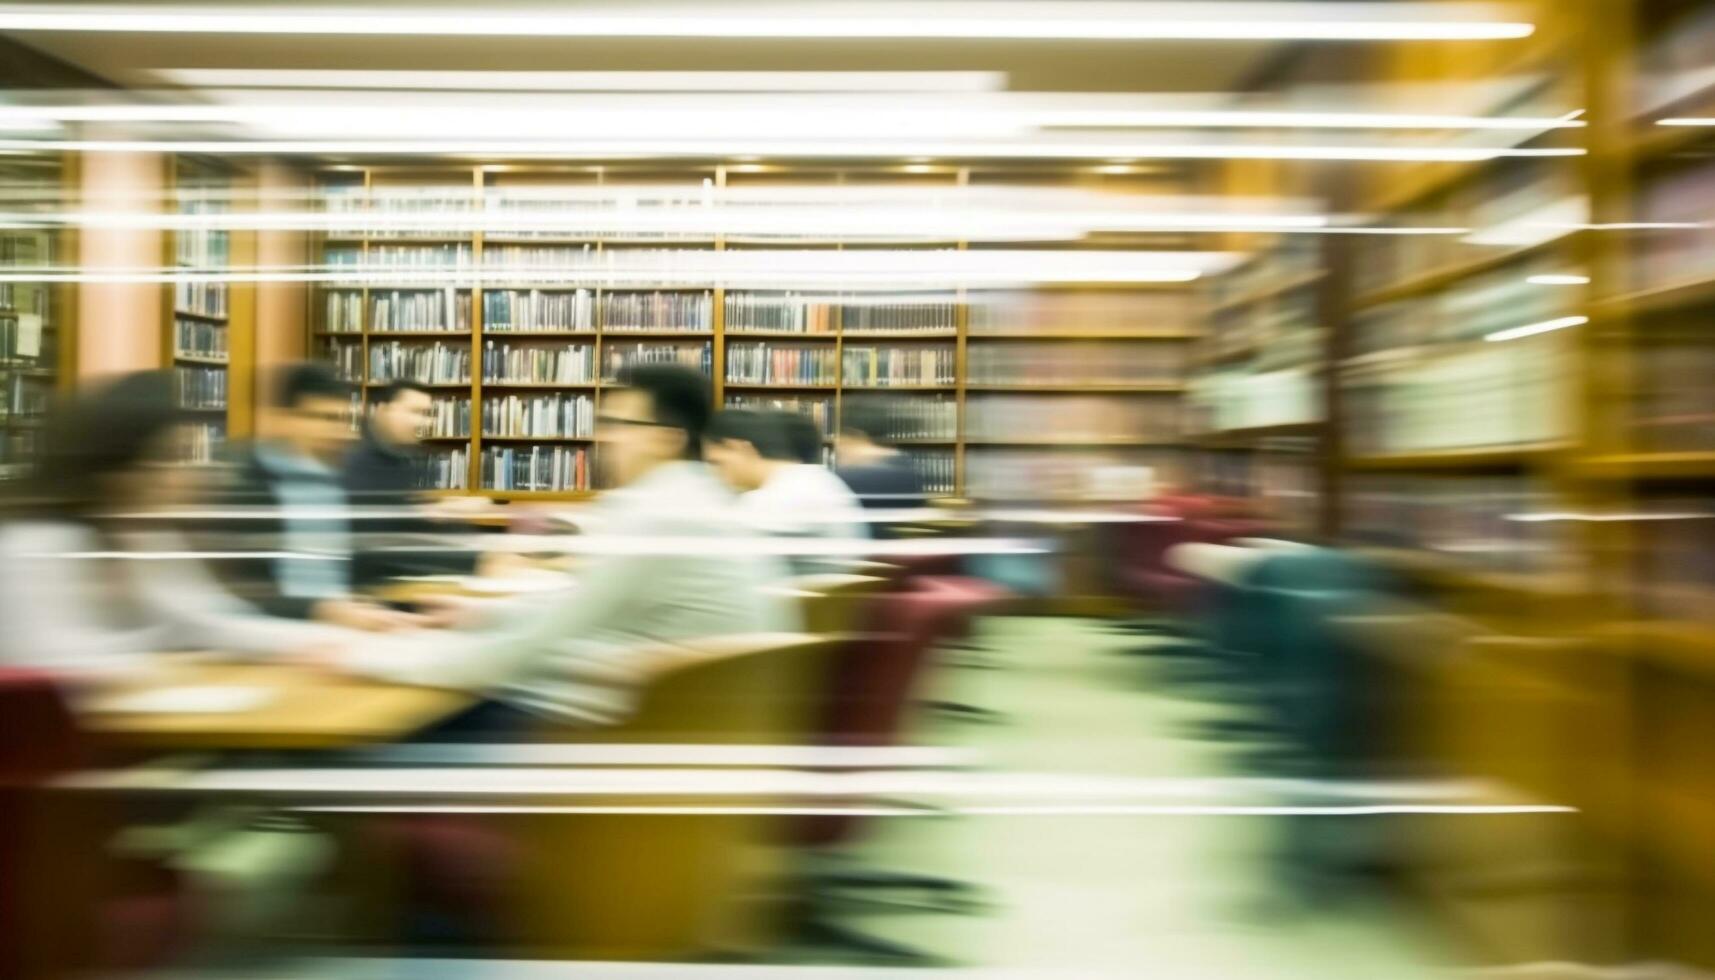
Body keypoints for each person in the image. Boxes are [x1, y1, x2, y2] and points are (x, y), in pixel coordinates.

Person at [369, 365, 798, 732]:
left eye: (618, 425)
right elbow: (584, 606)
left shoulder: (660, 516)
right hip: (678, 733)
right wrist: (485, 614)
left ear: (667, 439)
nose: (602, 437)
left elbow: (531, 647)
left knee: (386, 738)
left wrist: (373, 662)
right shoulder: (695, 499)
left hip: (619, 751)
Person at [0, 372, 357, 678]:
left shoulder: (145, 534)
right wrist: (171, 659)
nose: (184, 476)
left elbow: (205, 617)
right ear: (119, 468)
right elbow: (54, 662)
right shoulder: (35, 544)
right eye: (168, 459)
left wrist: (325, 644)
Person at [207, 362, 424, 631]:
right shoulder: (245, 487)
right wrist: (323, 610)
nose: (338, 433)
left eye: (343, 420)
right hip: (275, 637)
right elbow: (241, 594)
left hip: (341, 629)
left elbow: (372, 556)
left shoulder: (336, 480)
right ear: (285, 419)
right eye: (323, 419)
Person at [342, 379, 490, 586]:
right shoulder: (357, 461)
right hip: (374, 590)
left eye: (426, 414)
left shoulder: (401, 457)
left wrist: (441, 514)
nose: (423, 422)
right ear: (384, 411)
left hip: (405, 580)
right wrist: (476, 563)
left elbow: (407, 518)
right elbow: (380, 544)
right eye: (414, 412)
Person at [704, 409, 867, 572]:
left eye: (717, 463)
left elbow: (716, 547)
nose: (714, 474)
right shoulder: (814, 478)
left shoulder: (779, 497)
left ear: (740, 448)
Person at [834, 402, 928, 516]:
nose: (839, 445)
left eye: (845, 437)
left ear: (858, 436)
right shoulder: (909, 470)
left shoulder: (848, 478)